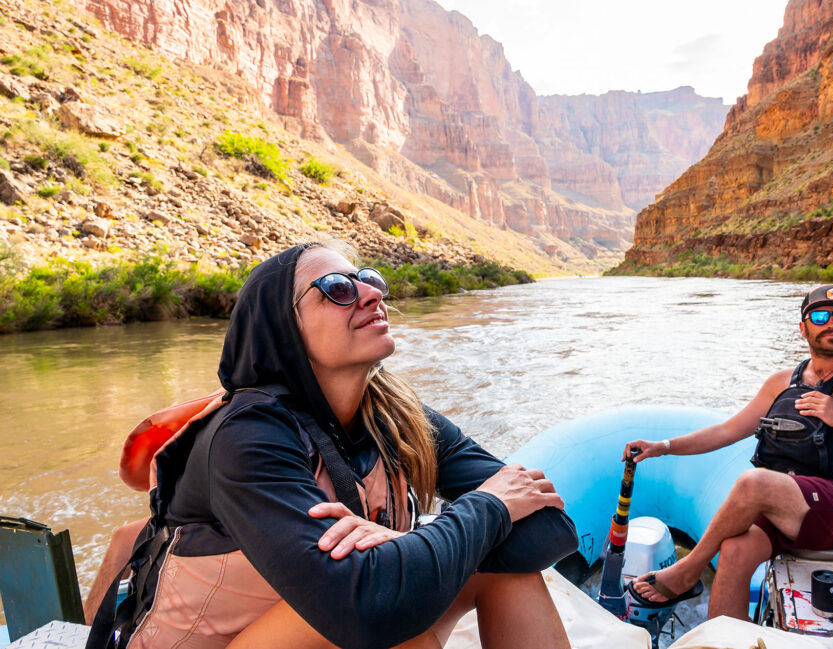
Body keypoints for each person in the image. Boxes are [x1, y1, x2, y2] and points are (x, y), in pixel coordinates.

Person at [92, 241, 577, 649]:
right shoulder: (247, 436)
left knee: (505, 572)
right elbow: (366, 608)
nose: (371, 294)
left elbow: (549, 533)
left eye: (369, 279)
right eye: (339, 290)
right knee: (394, 624)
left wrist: (404, 549)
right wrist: (486, 509)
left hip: (316, 621)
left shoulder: (400, 418)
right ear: (282, 328)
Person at [622, 285, 833, 620]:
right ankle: (725, 643)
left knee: (755, 483)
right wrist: (661, 447)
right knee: (735, 550)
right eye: (821, 316)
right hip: (788, 507)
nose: (832, 324)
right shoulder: (782, 382)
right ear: (803, 327)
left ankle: (687, 571)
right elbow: (727, 430)